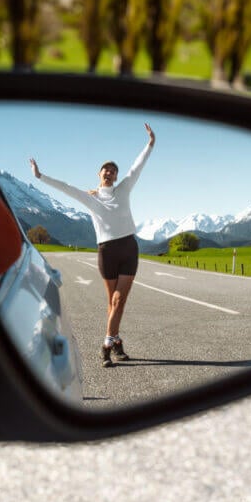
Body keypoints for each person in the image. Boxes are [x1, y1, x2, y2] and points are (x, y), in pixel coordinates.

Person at [29, 123, 155, 368]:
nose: (109, 172)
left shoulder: (124, 189)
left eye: (113, 170)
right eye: (105, 170)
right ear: (99, 175)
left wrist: (150, 143)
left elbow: (137, 167)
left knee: (118, 301)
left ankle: (106, 346)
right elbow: (66, 188)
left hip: (129, 248)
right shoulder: (89, 198)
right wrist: (40, 176)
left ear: (117, 177)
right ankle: (117, 342)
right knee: (113, 303)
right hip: (106, 252)